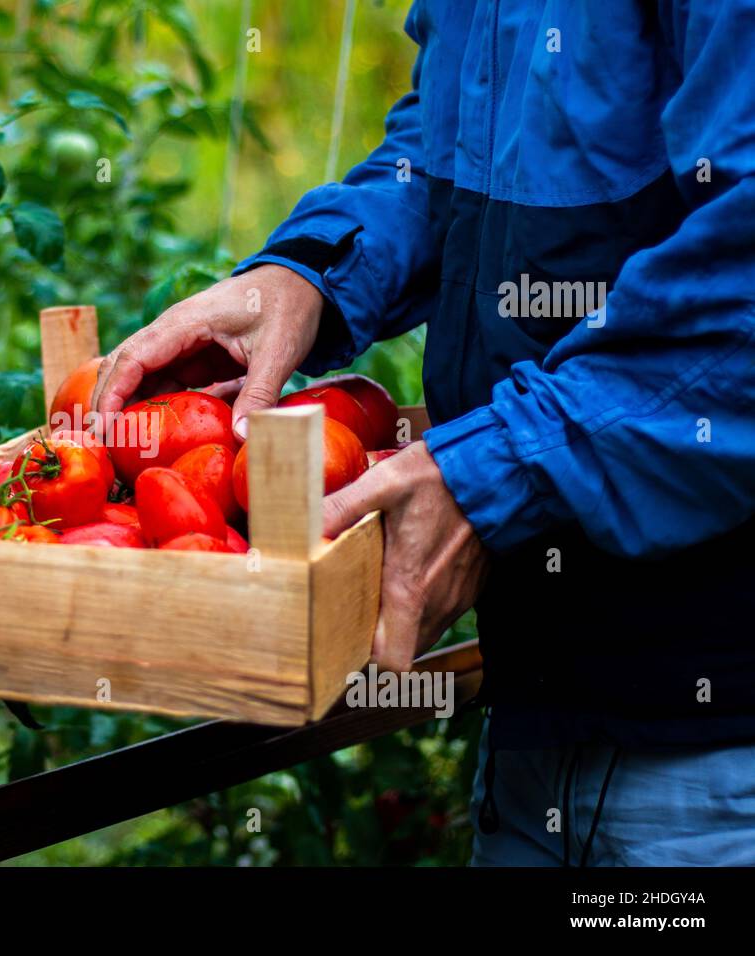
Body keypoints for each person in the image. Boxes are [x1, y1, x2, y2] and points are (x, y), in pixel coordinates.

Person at [91, 1, 755, 866]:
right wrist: (311, 272)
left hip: (719, 749)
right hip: (536, 714)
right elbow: (450, 145)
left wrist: (505, 468)